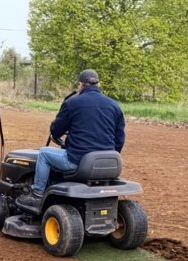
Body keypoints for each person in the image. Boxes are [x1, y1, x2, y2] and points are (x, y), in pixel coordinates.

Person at [16, 69, 126, 210]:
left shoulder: (72, 103)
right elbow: (120, 139)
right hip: (109, 163)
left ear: (81, 85)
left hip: (79, 161)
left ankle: (37, 194)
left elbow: (56, 131)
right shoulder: (114, 105)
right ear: (98, 84)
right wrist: (107, 155)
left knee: (44, 153)